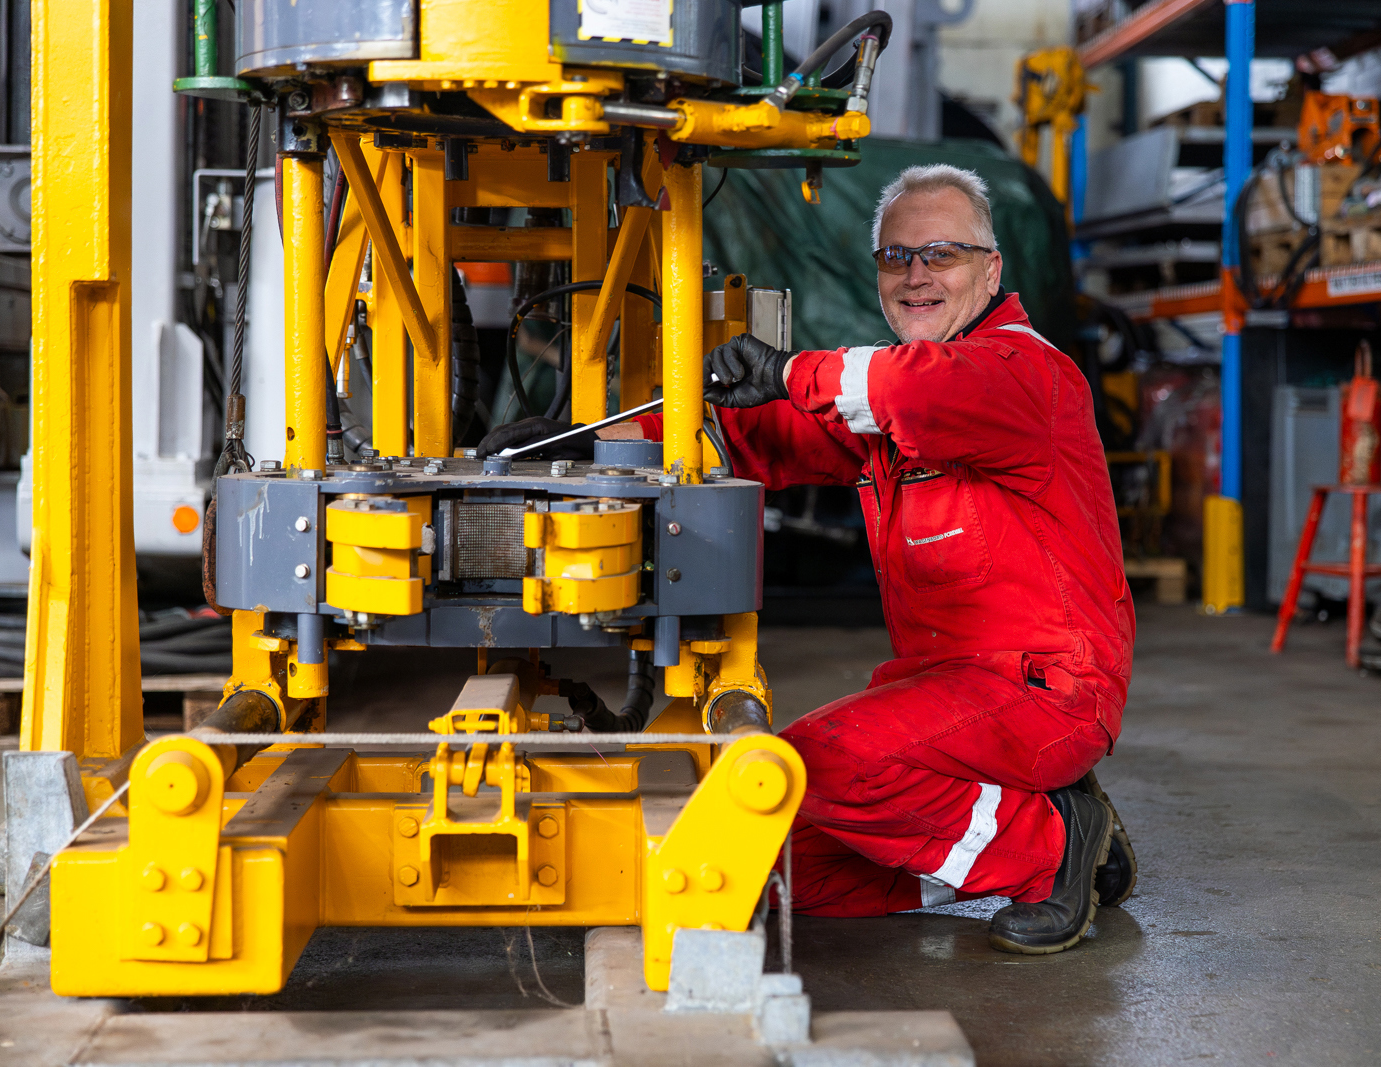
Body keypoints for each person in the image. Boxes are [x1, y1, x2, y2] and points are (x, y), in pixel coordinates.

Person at [481, 164, 1136, 954]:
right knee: (771, 858)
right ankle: (1020, 842)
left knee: (821, 764)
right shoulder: (885, 399)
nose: (916, 274)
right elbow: (759, 439)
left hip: (1046, 688)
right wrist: (586, 446)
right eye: (897, 257)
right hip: (946, 693)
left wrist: (788, 371)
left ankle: (1052, 847)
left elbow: (919, 394)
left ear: (992, 270)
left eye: (942, 254)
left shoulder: (1024, 371)